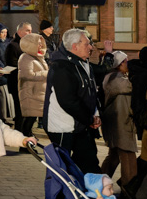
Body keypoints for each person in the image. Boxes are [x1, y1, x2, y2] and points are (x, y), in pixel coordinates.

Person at [43, 29, 106, 174]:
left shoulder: (84, 64)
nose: (91, 47)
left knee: (89, 163)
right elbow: (68, 100)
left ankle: (90, 194)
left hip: (81, 124)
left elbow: (90, 93)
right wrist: (89, 118)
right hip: (62, 127)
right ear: (74, 46)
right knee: (61, 170)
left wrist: (95, 114)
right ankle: (59, 197)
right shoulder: (61, 67)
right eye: (87, 44)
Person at [101, 52, 137, 186]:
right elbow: (130, 86)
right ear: (120, 63)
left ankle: (99, 184)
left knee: (114, 156)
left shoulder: (116, 77)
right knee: (128, 156)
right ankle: (129, 188)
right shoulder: (115, 78)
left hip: (118, 120)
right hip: (120, 122)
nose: (128, 64)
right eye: (126, 61)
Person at [17, 33, 48, 139]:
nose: (40, 45)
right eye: (38, 43)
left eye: (41, 43)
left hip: (38, 94)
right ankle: (24, 142)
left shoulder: (38, 57)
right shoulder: (25, 58)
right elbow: (27, 74)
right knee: (29, 120)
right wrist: (45, 74)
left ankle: (27, 141)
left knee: (31, 120)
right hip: (30, 94)